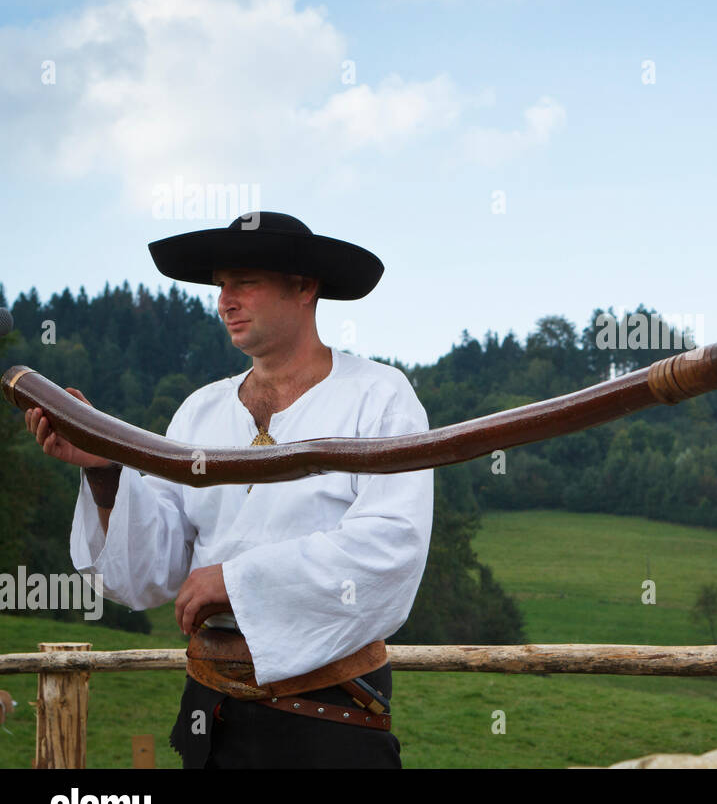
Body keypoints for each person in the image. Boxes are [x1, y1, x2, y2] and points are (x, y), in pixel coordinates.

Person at [24, 212, 434, 768]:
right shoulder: (200, 409)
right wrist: (105, 467)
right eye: (221, 286)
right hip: (211, 714)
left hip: (328, 723)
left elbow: (391, 546)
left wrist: (236, 582)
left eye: (245, 282)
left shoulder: (379, 395)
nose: (225, 301)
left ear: (304, 286)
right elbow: (154, 570)